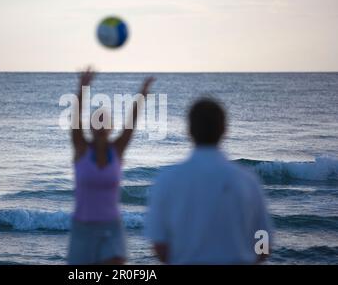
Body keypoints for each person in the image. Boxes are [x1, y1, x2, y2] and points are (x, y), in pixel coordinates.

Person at [145, 98, 272, 264]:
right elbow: (264, 243)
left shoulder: (167, 179)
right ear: (224, 129)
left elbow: (159, 244)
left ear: (189, 130)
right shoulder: (247, 180)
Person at [68, 66, 154, 265]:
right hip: (83, 228)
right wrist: (82, 89)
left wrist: (141, 96)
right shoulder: (81, 149)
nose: (100, 125)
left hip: (111, 228)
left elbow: (130, 125)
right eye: (96, 122)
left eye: (104, 121)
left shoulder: (117, 150)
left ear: (110, 127)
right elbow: (75, 121)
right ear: (90, 126)